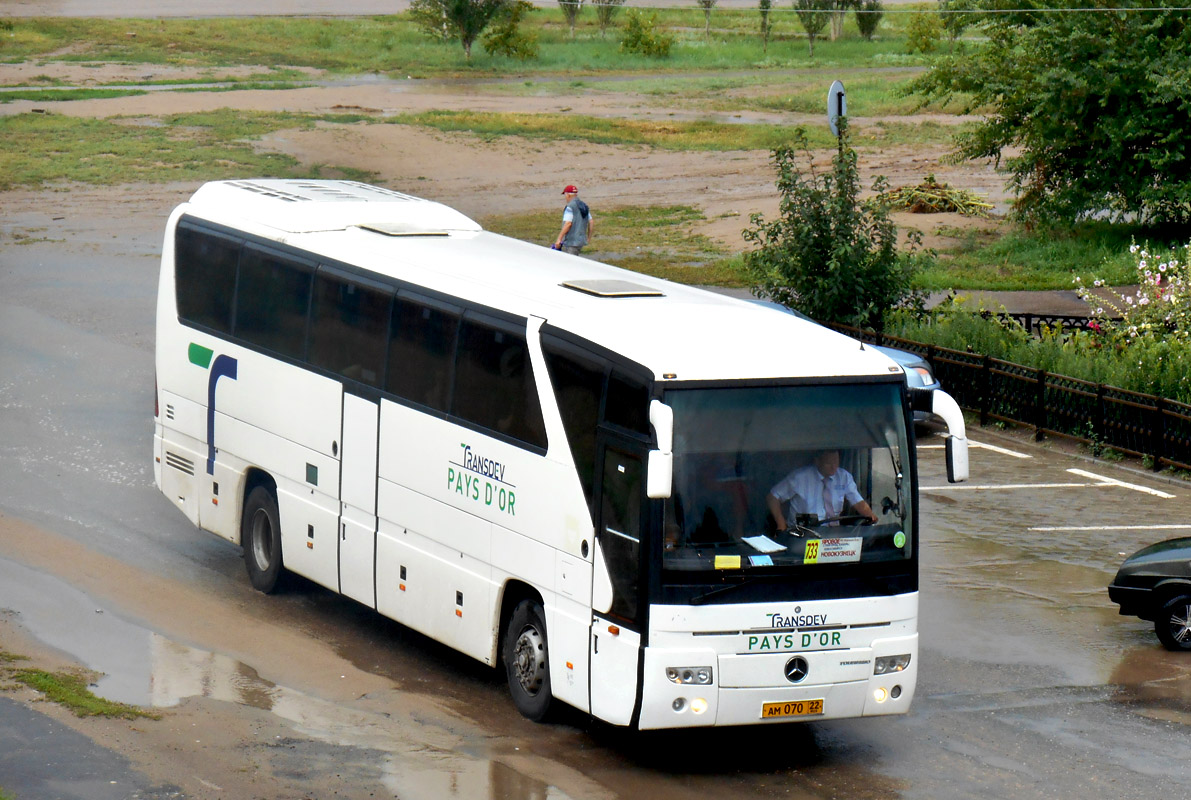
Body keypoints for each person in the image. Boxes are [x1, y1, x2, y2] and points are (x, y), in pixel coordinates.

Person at [766, 450, 877, 531]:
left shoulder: (844, 477)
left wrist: (870, 517)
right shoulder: (799, 477)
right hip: (803, 533)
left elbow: (858, 502)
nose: (834, 467)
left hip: (834, 533)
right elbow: (772, 497)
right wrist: (781, 524)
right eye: (828, 463)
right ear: (817, 461)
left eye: (836, 462)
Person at [554, 184, 593, 255]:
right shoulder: (584, 205)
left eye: (565, 195)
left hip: (572, 242)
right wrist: (588, 238)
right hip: (581, 241)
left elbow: (568, 224)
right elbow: (591, 222)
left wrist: (559, 239)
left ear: (568, 195)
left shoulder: (570, 207)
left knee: (570, 263)